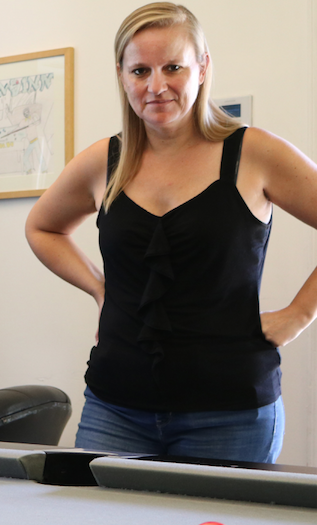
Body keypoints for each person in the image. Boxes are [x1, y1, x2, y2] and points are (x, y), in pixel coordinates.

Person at [24, 3, 317, 463]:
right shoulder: (104, 161)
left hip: (231, 413)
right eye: (140, 70)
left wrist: (299, 314)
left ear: (202, 68)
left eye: (173, 67)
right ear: (122, 76)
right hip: (115, 407)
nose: (156, 85)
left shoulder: (254, 153)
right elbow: (42, 227)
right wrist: (101, 290)